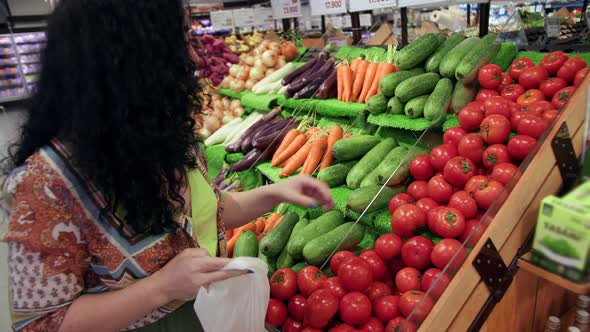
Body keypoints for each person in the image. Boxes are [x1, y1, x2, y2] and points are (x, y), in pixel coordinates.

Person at [0, 1, 333, 331]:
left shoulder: (165, 137)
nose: (196, 58)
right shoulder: (45, 183)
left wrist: (276, 193)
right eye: (181, 40)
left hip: (206, 314)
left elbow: (210, 211)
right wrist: (161, 288)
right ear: (128, 58)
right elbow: (41, 323)